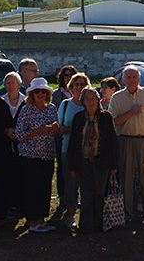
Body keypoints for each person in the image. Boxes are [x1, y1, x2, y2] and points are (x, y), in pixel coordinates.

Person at [108, 65, 144, 224]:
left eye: (134, 77)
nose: (132, 80)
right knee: (126, 178)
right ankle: (128, 213)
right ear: (123, 79)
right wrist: (131, 113)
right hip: (126, 141)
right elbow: (112, 123)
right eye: (128, 77)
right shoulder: (117, 98)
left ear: (139, 79)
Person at [67, 87, 119, 234]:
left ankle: (99, 225)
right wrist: (72, 166)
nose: (91, 102)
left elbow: (113, 142)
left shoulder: (106, 117)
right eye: (87, 99)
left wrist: (114, 165)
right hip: (83, 162)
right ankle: (86, 226)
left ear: (98, 100)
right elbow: (73, 143)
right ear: (83, 101)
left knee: (99, 193)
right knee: (86, 194)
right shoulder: (78, 118)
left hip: (102, 161)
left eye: (93, 99)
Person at [14, 78, 60, 233]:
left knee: (44, 188)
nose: (40, 94)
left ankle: (41, 220)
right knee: (32, 188)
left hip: (47, 155)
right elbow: (20, 134)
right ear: (31, 94)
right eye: (37, 91)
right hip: (30, 155)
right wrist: (42, 130)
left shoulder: (52, 108)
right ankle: (32, 221)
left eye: (43, 91)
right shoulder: (26, 109)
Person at [0, 71, 25, 220]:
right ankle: (0, 212)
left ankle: (18, 208)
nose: (11, 85)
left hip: (21, 148)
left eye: (13, 82)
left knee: (20, 179)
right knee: (2, 179)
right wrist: (5, 130)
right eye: (8, 83)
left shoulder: (26, 101)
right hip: (3, 149)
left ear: (19, 84)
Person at [58, 72, 91, 229]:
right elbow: (60, 127)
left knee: (87, 183)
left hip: (87, 151)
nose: (79, 87)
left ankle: (86, 214)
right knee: (70, 183)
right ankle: (69, 213)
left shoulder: (90, 105)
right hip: (68, 149)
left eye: (82, 84)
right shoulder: (65, 104)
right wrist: (75, 129)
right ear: (71, 86)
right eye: (76, 84)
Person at [52, 65, 78, 199]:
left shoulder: (80, 95)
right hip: (62, 136)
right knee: (63, 166)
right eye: (65, 75)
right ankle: (62, 194)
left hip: (79, 138)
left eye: (70, 75)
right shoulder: (57, 95)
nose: (68, 78)